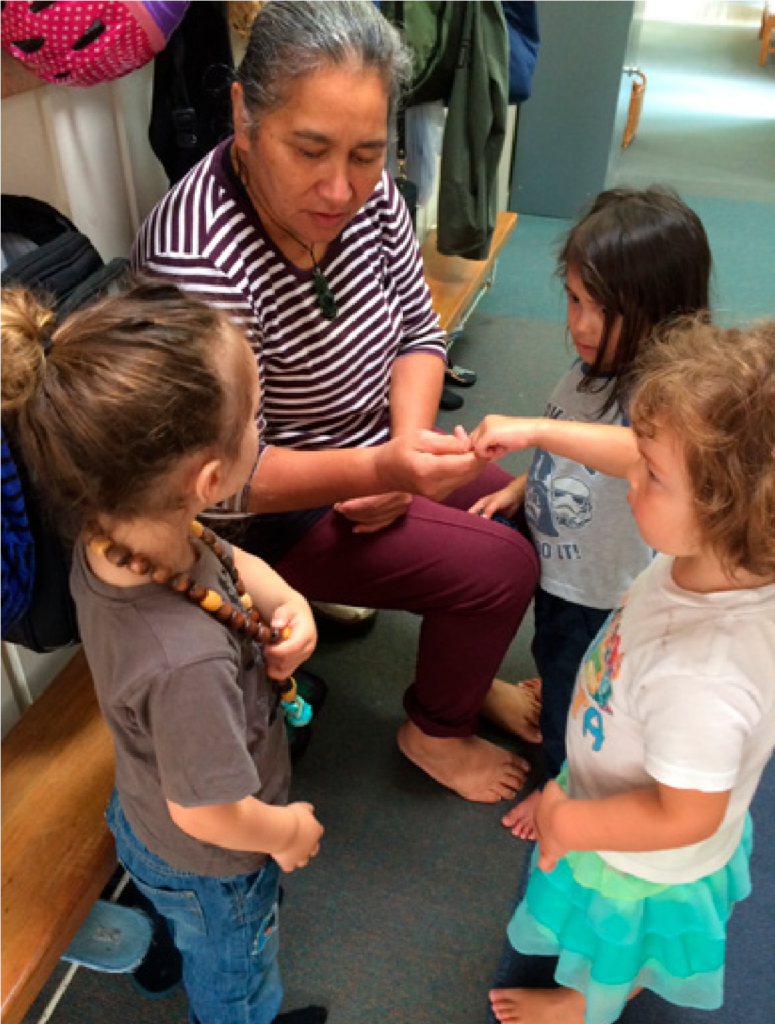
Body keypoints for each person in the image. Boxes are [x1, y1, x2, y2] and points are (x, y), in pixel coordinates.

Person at [132, 0, 540, 804]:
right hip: (257, 515)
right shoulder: (200, 258)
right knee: (501, 568)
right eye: (309, 149)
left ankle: (463, 673)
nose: (341, 187)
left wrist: (404, 450)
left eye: (366, 152)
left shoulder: (372, 195)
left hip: (368, 446)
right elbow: (218, 478)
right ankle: (433, 728)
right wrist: (377, 466)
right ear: (244, 115)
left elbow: (419, 333)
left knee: (528, 498)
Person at [0, 279, 329, 1024]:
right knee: (236, 976)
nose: (260, 424)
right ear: (209, 480)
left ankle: (171, 947)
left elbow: (223, 560)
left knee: (195, 933)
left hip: (143, 810)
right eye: (254, 416)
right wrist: (285, 832)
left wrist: (286, 602)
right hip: (214, 862)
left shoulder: (115, 531)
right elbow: (212, 812)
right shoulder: (185, 664)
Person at [470, 317, 775, 1024]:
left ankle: (587, 1004)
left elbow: (684, 814)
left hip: (638, 851)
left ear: (725, 511)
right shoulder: (720, 550)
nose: (629, 478)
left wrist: (572, 823)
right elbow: (631, 451)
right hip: (618, 765)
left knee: (623, 943)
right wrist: (538, 434)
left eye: (650, 476)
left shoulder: (703, 679)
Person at [468, 186, 712, 834]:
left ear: (663, 312)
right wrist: (527, 483)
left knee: (582, 709)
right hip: (565, 575)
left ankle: (561, 793)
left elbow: (631, 453)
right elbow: (577, 448)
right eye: (574, 298)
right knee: (557, 663)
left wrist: (535, 434)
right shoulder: (591, 371)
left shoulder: (662, 395)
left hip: (603, 593)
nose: (578, 323)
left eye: (602, 310)